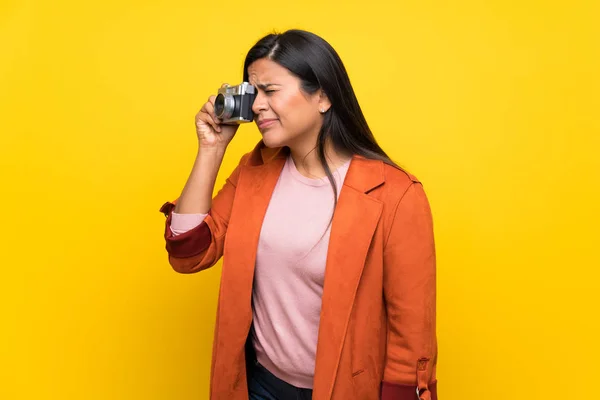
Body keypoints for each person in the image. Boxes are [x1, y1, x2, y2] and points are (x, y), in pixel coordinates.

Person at [159, 29, 438, 400]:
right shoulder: (254, 171)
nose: (257, 106)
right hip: (259, 385)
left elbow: (411, 333)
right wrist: (211, 149)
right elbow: (188, 254)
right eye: (252, 92)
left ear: (322, 96)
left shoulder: (396, 194)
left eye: (270, 91)